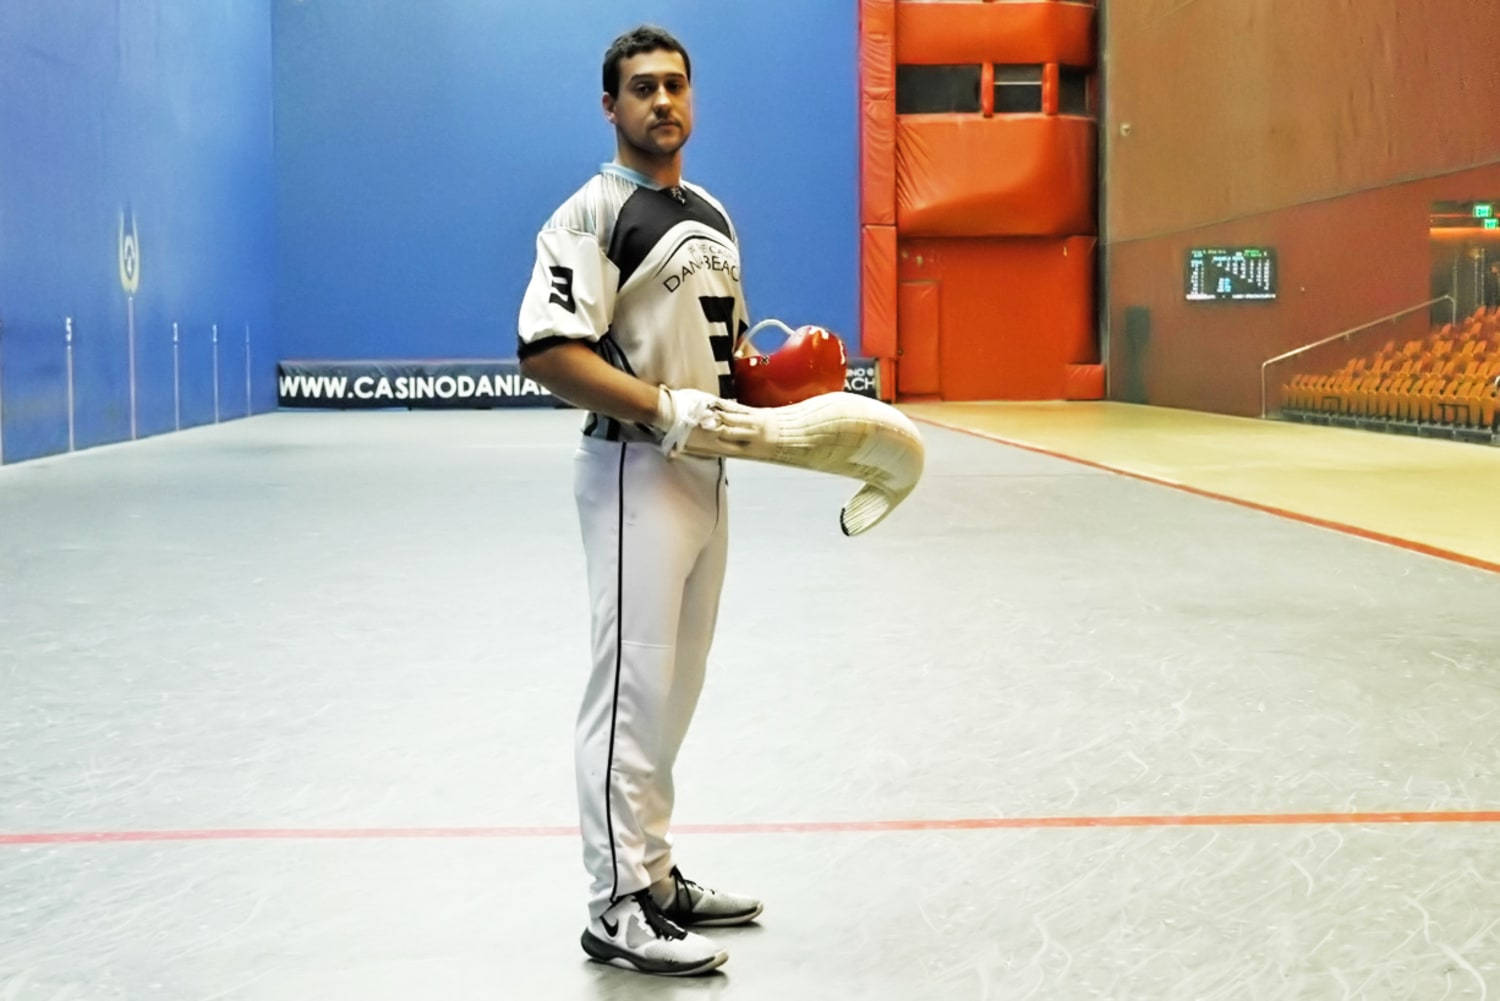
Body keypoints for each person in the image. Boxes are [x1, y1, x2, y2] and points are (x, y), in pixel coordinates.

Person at [516, 25, 762, 977]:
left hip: (709, 476)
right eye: (642, 87)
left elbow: (730, 364)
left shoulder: (713, 214)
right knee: (632, 691)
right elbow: (547, 350)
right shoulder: (590, 214)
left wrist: (791, 388)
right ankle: (615, 903)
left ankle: (654, 873)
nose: (663, 101)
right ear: (610, 106)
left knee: (677, 689)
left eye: (676, 86)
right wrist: (665, 410)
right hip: (633, 471)